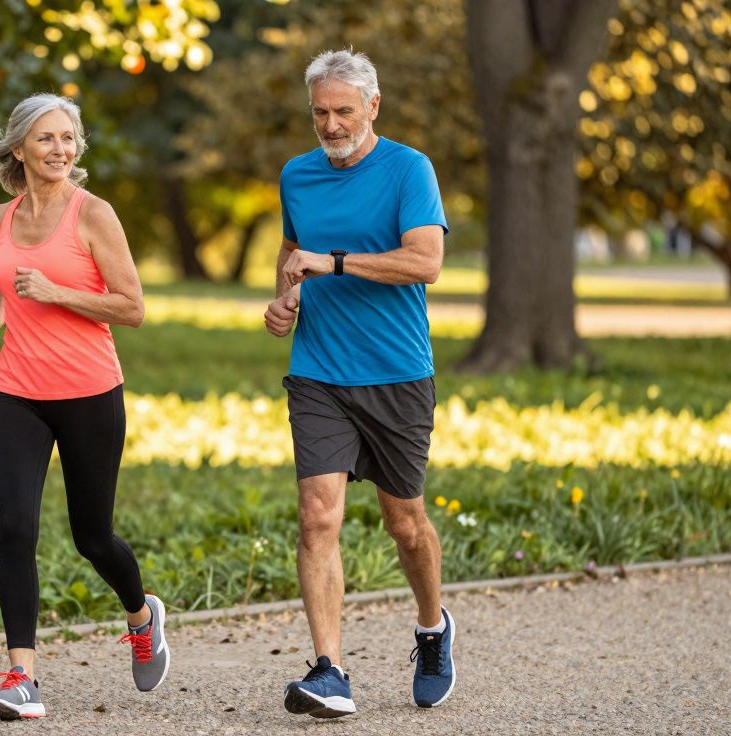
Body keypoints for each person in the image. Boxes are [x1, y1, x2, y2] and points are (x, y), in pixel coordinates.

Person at [263, 50, 455, 718]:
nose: (331, 124)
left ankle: (432, 628)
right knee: (318, 516)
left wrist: (335, 263)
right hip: (319, 370)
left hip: (397, 372)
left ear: (373, 106)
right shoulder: (297, 174)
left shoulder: (408, 169)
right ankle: (329, 671)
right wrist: (284, 299)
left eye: (344, 111)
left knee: (405, 524)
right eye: (320, 112)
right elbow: (294, 251)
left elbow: (426, 262)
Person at [0, 93, 170, 720]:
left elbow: (132, 308)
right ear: (20, 149)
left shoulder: (94, 214)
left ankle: (142, 614)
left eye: (69, 138)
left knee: (92, 535)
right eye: (47, 139)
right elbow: (10, 274)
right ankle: (21, 675)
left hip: (88, 394)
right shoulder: (0, 217)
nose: (61, 150)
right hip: (17, 394)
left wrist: (57, 293)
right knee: (16, 529)